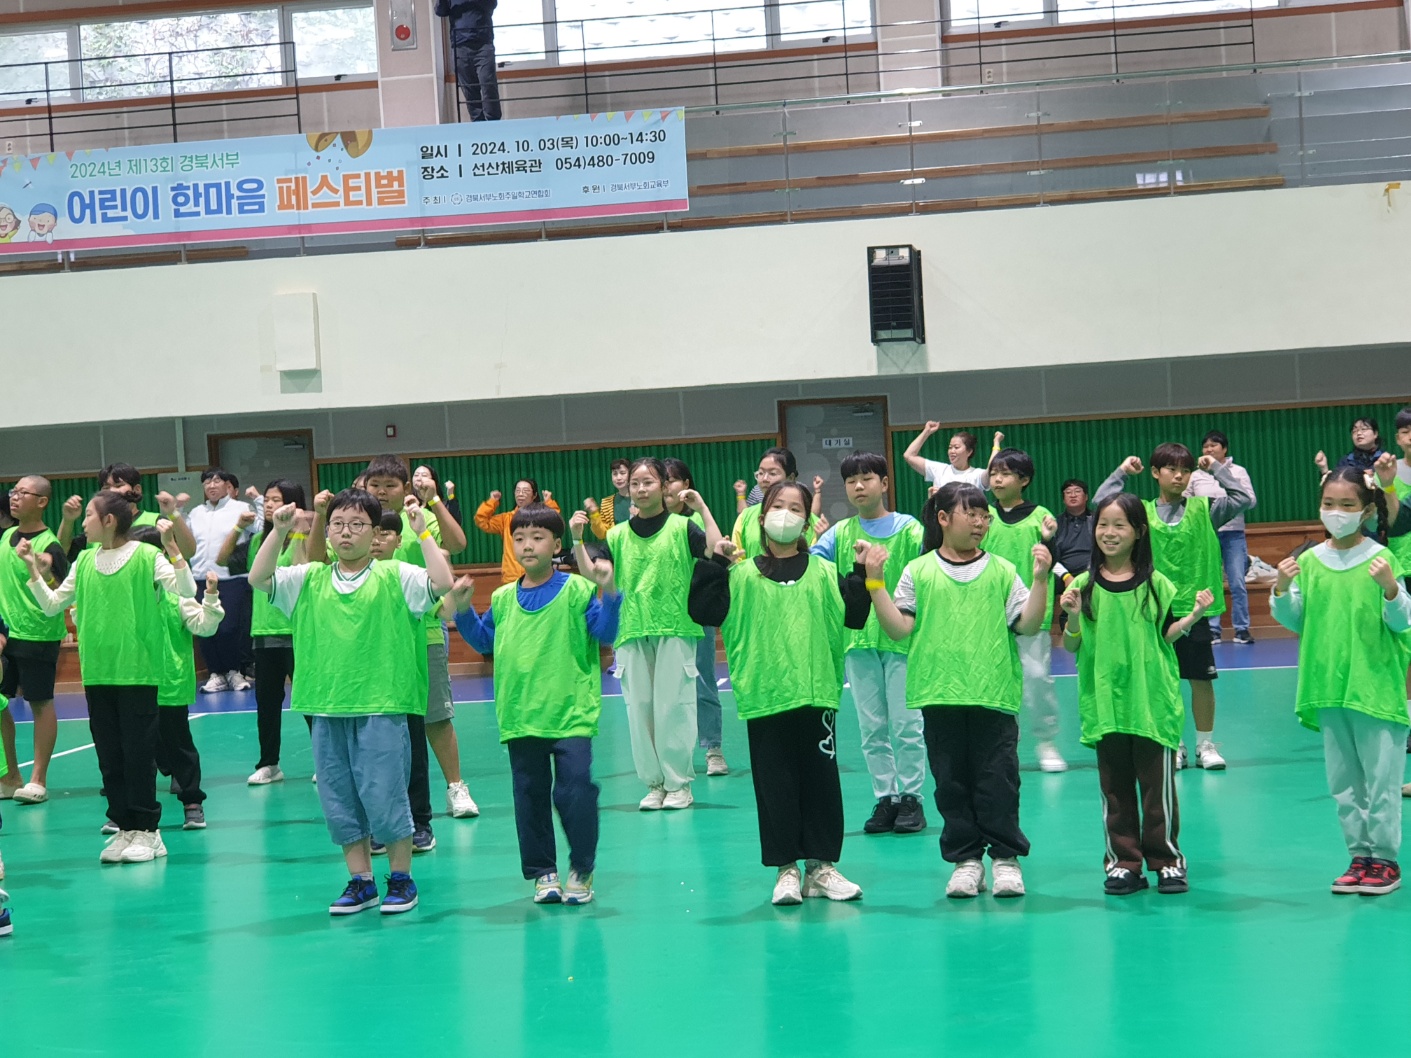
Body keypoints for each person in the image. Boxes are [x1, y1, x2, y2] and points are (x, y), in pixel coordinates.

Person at [252, 490, 453, 916]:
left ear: (375, 532)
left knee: (385, 794)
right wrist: (279, 531)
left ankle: (401, 878)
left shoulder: (396, 575)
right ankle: (361, 881)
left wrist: (423, 533)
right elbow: (259, 578)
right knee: (339, 799)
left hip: (381, 704)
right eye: (338, 524)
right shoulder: (309, 578)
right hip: (326, 706)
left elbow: (442, 583)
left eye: (357, 524)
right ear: (327, 532)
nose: (346, 532)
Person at [866, 482, 1052, 899]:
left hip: (993, 695)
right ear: (944, 518)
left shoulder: (1002, 570)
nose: (980, 522)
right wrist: (875, 584)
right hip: (939, 694)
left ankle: (1005, 859)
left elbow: (1027, 625)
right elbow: (899, 630)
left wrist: (1040, 581)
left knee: (998, 781)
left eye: (985, 515)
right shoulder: (919, 571)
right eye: (971, 514)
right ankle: (966, 861)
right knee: (951, 784)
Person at [691, 480, 869, 905]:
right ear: (761, 516)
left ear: (806, 523)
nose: (785, 515)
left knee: (821, 784)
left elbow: (856, 617)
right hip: (765, 696)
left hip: (815, 694)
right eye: (777, 506)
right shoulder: (740, 574)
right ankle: (786, 869)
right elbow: (703, 611)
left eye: (795, 508)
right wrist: (714, 564)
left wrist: (861, 573)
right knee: (775, 785)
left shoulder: (824, 572)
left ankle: (821, 868)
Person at [452, 505, 620, 905]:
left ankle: (582, 866)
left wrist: (610, 593)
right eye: (520, 538)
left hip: (570, 713)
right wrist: (462, 609)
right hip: (521, 715)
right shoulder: (502, 598)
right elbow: (484, 641)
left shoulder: (577, 590)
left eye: (537, 537)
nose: (527, 545)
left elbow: (605, 632)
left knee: (575, 791)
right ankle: (544, 871)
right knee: (529, 798)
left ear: (557, 545)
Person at [22, 492, 196, 865]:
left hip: (137, 673)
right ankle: (125, 827)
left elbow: (187, 590)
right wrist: (34, 572)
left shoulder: (147, 556)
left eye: (88, 515)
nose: (83, 523)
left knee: (138, 755)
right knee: (110, 757)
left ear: (109, 521)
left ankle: (149, 832)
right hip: (98, 674)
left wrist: (172, 548)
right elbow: (52, 605)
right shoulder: (84, 560)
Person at [1059, 494, 1212, 896]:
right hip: (1106, 704)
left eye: (1119, 525)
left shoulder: (1157, 585)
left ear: (1139, 532)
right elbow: (1072, 645)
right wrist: (1072, 615)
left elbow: (1165, 635)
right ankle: (1123, 862)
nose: (1109, 533)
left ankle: (1167, 861)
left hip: (1151, 703)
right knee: (1115, 792)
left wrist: (1193, 616)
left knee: (1158, 792)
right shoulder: (1083, 586)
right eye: (1102, 525)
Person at [1270, 467, 1411, 895]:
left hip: (1374, 687)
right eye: (1329, 504)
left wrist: (1391, 589)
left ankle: (1385, 860)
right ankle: (1359, 856)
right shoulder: (1310, 562)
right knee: (1344, 784)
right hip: (1328, 686)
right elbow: (1296, 619)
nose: (1336, 512)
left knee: (1382, 781)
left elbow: (1402, 622)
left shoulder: (1382, 559)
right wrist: (1281, 588)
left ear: (1366, 511)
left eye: (1347, 505)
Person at [1096, 445, 1254, 770]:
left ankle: (1205, 745)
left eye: (1185, 470)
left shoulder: (1205, 509)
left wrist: (1217, 469)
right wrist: (1122, 472)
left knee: (1201, 680)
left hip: (1194, 610)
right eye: (1171, 469)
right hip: (1153, 609)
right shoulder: (1141, 513)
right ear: (1156, 473)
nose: (1179, 476)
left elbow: (1243, 499)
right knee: (1162, 681)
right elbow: (1101, 504)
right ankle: (1174, 742)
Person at [361, 457, 479, 843]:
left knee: (434, 717)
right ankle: (385, 814)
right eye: (375, 484)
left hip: (423, 632)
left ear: (405, 488)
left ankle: (455, 787)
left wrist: (435, 503)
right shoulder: (357, 526)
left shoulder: (419, 518)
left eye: (390, 485)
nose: (381, 491)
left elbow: (457, 544)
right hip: (374, 638)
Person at [810, 451, 927, 835]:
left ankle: (912, 797)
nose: (859, 486)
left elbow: (932, 558)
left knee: (907, 726)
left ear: (885, 483)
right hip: (858, 642)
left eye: (867, 478)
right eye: (851, 481)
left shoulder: (909, 529)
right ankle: (886, 797)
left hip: (903, 640)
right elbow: (812, 568)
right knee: (872, 728)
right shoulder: (839, 534)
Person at [607, 457, 717, 810]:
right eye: (635, 483)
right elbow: (598, 574)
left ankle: (678, 784)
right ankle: (654, 784)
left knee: (674, 708)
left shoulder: (683, 527)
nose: (641, 489)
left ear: (664, 486)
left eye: (649, 482)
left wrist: (702, 508)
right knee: (639, 711)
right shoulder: (616, 535)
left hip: (675, 627)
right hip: (632, 631)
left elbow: (715, 550)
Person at [130, 527, 224, 833]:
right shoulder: (126, 594)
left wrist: (210, 598)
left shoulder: (178, 595)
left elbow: (205, 626)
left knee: (179, 746)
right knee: (137, 751)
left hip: (170, 685)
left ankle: (192, 802)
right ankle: (130, 812)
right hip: (134, 683)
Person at [981, 447, 1064, 772]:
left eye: (1005, 474)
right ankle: (1005, 745)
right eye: (994, 474)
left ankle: (1046, 741)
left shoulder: (1040, 516)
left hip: (1031, 613)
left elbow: (1052, 562)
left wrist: (1049, 540)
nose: (997, 480)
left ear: (1024, 479)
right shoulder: (984, 515)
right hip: (991, 613)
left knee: (1037, 679)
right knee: (996, 683)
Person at [229, 481, 311, 785]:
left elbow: (304, 569)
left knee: (309, 701)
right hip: (264, 633)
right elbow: (224, 559)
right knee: (266, 705)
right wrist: (238, 528)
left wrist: (299, 529)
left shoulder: (307, 537)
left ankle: (326, 760)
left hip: (298, 632)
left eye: (276, 500)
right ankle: (269, 764)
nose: (269, 505)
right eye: (267, 500)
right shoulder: (258, 542)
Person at [0, 476, 69, 804]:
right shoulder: (5, 537)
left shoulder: (49, 544)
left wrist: (44, 569)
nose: (14, 497)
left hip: (37, 634)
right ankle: (10, 776)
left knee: (40, 703)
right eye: (13, 492)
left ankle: (38, 780)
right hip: (5, 636)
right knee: (0, 704)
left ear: (41, 501)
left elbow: (61, 591)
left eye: (22, 493)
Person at [664, 457, 731, 776]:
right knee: (666, 689)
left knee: (703, 681)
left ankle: (713, 748)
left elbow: (716, 549)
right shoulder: (651, 523)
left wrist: (702, 507)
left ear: (686, 484)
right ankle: (673, 752)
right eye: (662, 481)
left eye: (672, 480)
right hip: (663, 616)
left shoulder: (696, 521)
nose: (667, 487)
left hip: (696, 613)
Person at [187, 468, 256, 694]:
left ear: (227, 486)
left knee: (229, 628)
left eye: (216, 481)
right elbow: (186, 540)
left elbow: (260, 528)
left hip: (232, 577)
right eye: (207, 482)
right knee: (205, 629)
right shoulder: (196, 512)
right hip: (200, 577)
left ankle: (234, 672)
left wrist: (259, 500)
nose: (211, 485)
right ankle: (215, 673)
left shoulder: (241, 508)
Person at [1187, 430, 1259, 644]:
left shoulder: (1238, 471)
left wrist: (1227, 506)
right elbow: (1186, 502)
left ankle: (1242, 629)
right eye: (1205, 446)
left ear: (1224, 449)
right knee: (1210, 582)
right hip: (1206, 534)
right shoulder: (1195, 475)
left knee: (1237, 582)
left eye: (1214, 445)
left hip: (1233, 534)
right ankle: (1213, 630)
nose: (1209, 449)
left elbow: (1250, 500)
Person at [476, 479, 562, 584]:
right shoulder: (506, 519)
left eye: (525, 491)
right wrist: (492, 501)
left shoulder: (541, 517)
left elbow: (555, 520)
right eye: (518, 491)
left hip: (538, 574)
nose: (520, 494)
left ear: (534, 495)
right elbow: (482, 520)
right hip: (512, 577)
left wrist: (548, 502)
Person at [435, 0, 501, 122]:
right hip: (460, 45)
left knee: (488, 84)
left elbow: (492, 4)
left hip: (483, 43)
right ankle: (478, 125)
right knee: (469, 90)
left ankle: (494, 123)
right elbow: (440, 11)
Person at [902, 423, 1001, 491]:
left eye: (956, 447)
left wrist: (996, 443)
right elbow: (909, 455)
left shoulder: (976, 475)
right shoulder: (939, 470)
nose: (952, 451)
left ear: (969, 452)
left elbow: (992, 468)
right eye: (950, 447)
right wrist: (926, 432)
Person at [411, 464, 468, 555]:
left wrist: (451, 496)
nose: (419, 478)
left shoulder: (440, 505)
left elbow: (455, 525)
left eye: (424, 475)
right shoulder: (408, 503)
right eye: (416, 475)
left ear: (433, 481)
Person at [1316, 417, 1388, 477]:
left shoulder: (1385, 459)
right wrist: (1324, 469)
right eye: (1354, 431)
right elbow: (1335, 485)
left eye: (1363, 429)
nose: (1358, 433)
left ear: (1375, 434)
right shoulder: (1345, 461)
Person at [585, 459, 632, 542]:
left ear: (631, 475)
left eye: (622, 473)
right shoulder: (607, 502)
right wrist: (594, 513)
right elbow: (602, 534)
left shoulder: (642, 499)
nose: (618, 478)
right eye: (615, 474)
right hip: (616, 546)